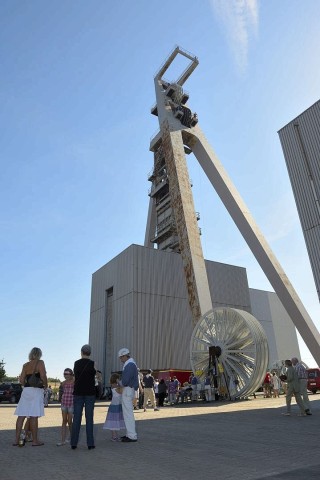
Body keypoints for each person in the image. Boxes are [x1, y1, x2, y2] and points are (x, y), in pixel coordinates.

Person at [13, 347, 48, 446]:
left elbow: (21, 380)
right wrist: (45, 385)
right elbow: (43, 376)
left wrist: (27, 384)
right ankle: (35, 441)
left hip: (26, 391)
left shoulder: (25, 365)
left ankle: (16, 440)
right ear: (39, 354)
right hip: (36, 391)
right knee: (34, 416)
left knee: (21, 416)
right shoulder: (40, 363)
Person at [70, 344, 97, 450]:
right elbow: (97, 376)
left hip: (78, 393)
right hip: (90, 393)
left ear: (81, 352)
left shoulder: (76, 363)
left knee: (76, 418)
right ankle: (90, 444)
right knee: (89, 418)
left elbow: (75, 376)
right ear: (90, 353)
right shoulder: (93, 363)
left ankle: (73, 443)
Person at [118, 347, 139, 442]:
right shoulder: (131, 364)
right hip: (129, 389)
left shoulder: (129, 365)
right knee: (127, 413)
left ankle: (132, 435)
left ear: (125, 356)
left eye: (121, 357)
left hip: (127, 389)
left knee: (128, 414)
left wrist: (119, 382)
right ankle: (129, 434)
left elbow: (125, 381)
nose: (120, 359)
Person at [103, 373, 125, 441]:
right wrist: (119, 383)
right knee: (113, 421)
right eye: (118, 378)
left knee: (116, 421)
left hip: (117, 405)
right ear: (116, 379)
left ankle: (115, 436)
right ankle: (113, 437)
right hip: (115, 406)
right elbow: (122, 391)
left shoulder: (115, 385)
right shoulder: (115, 386)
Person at [56, 368, 74, 446]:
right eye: (64, 374)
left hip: (72, 403)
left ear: (71, 374)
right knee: (64, 421)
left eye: (67, 374)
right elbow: (61, 393)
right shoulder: (63, 383)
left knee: (70, 422)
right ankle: (62, 440)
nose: (65, 375)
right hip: (64, 403)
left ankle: (72, 437)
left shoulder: (74, 382)